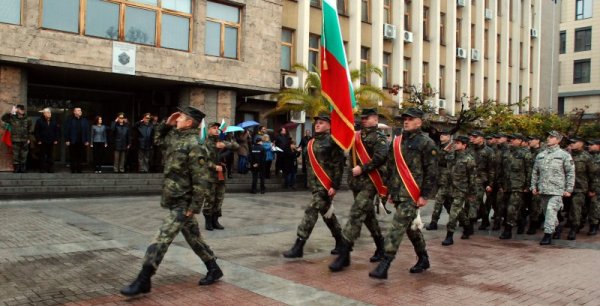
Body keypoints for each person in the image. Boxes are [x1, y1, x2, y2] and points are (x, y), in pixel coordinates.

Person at [120, 106, 222, 297]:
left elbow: (201, 178)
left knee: (161, 238)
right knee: (194, 238)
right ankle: (213, 267)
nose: (177, 119)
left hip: (184, 202)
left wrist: (194, 206)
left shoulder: (195, 143)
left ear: (190, 122)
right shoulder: (175, 136)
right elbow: (158, 139)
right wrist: (166, 124)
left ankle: (144, 279)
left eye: (181, 117)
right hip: (173, 197)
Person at [369, 108, 438, 279]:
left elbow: (432, 171)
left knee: (397, 228)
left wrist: (425, 195)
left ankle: (384, 265)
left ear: (419, 122)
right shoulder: (397, 141)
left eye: (410, 119)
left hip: (413, 193)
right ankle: (423, 259)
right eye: (404, 119)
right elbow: (392, 168)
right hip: (399, 192)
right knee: (411, 229)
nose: (405, 121)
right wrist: (390, 191)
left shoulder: (426, 142)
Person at [329, 108, 388, 272]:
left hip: (370, 182)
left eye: (367, 118)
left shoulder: (379, 137)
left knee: (356, 213)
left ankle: (345, 253)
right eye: (362, 118)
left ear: (375, 120)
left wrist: (362, 168)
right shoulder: (356, 135)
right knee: (368, 216)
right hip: (356, 183)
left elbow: (381, 156)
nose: (363, 120)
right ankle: (380, 246)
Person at [283, 115, 345, 258]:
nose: (317, 125)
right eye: (316, 123)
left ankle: (299, 245)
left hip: (325, 185)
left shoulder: (333, 141)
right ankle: (341, 241)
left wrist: (335, 185)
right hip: (315, 185)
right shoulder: (312, 142)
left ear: (329, 125)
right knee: (328, 216)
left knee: (311, 211)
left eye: (321, 123)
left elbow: (339, 165)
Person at [531, 131, 575, 245]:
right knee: (547, 212)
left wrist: (569, 189)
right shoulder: (541, 155)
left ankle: (547, 235)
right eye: (548, 136)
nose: (548, 138)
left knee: (551, 211)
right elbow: (535, 172)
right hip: (543, 189)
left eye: (552, 137)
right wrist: (533, 186)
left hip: (557, 190)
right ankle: (557, 227)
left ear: (558, 140)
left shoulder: (564, 155)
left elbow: (570, 173)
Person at [202, 122, 239, 231]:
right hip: (210, 176)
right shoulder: (204, 143)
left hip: (221, 175)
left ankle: (215, 220)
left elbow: (236, 146)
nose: (216, 129)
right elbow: (201, 160)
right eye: (214, 128)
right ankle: (208, 222)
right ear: (208, 130)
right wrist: (213, 166)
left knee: (219, 198)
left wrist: (225, 144)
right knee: (210, 199)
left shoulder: (221, 141)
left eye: (218, 128)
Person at [441, 135, 476, 245]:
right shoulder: (452, 156)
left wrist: (471, 192)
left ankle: (449, 236)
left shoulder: (469, 159)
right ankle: (467, 226)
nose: (455, 144)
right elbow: (441, 159)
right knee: (458, 211)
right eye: (455, 142)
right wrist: (445, 149)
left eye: (458, 143)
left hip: (461, 189)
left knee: (453, 213)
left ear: (464, 145)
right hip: (450, 188)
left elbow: (472, 177)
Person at [499, 134, 532, 239]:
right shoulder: (506, 153)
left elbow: (529, 171)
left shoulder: (525, 154)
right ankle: (521, 221)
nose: (511, 141)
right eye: (511, 139)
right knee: (504, 207)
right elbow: (501, 169)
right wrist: (500, 183)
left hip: (518, 185)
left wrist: (528, 185)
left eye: (514, 139)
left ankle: (508, 230)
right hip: (506, 185)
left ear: (521, 141)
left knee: (512, 208)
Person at [566, 136, 593, 240]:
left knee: (575, 208)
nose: (571, 144)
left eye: (574, 142)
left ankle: (574, 228)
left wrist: (592, 189)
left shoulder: (586, 157)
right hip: (566, 187)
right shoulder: (567, 156)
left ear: (581, 144)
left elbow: (592, 174)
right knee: (567, 208)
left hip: (580, 188)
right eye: (570, 142)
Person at [468, 131, 495, 232]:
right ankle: (485, 218)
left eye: (475, 137)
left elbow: (492, 169)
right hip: (470, 179)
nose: (473, 138)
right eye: (472, 137)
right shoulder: (469, 149)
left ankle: (470, 226)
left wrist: (490, 184)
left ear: (482, 138)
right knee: (478, 202)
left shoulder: (489, 151)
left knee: (474, 201)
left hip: (481, 180)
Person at [426, 129, 453, 230]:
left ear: (449, 137)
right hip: (438, 177)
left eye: (445, 134)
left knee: (439, 200)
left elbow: (448, 161)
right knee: (447, 202)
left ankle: (434, 222)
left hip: (446, 178)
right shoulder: (439, 146)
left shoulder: (451, 147)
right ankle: (464, 221)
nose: (442, 136)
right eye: (441, 134)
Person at [2, 104, 32, 173]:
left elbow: (29, 130)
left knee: (24, 154)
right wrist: (10, 113)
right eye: (20, 109)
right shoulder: (12, 118)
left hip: (24, 139)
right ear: (17, 110)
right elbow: (3, 118)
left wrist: (29, 138)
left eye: (23, 109)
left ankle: (23, 168)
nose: (22, 110)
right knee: (16, 154)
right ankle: (16, 168)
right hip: (15, 139)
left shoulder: (28, 119)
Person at [64, 107, 90, 173]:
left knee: (80, 156)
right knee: (73, 156)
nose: (80, 111)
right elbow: (67, 130)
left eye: (80, 110)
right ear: (74, 112)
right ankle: (73, 169)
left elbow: (87, 131)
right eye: (78, 110)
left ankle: (79, 169)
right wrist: (67, 140)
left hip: (82, 141)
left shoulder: (85, 120)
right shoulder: (70, 120)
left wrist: (87, 140)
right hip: (73, 141)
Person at [34, 107, 59, 173]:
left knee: (50, 156)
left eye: (50, 112)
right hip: (42, 141)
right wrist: (38, 140)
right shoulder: (39, 121)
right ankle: (42, 169)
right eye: (47, 112)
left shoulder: (54, 121)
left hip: (51, 141)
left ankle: (50, 169)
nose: (49, 114)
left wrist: (56, 139)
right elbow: (36, 131)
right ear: (44, 114)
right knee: (42, 156)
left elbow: (56, 131)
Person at [587, 139, 600, 235]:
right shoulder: (589, 156)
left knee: (595, 206)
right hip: (588, 185)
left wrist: (594, 189)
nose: (589, 146)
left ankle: (594, 226)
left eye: (591, 144)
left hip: (596, 186)